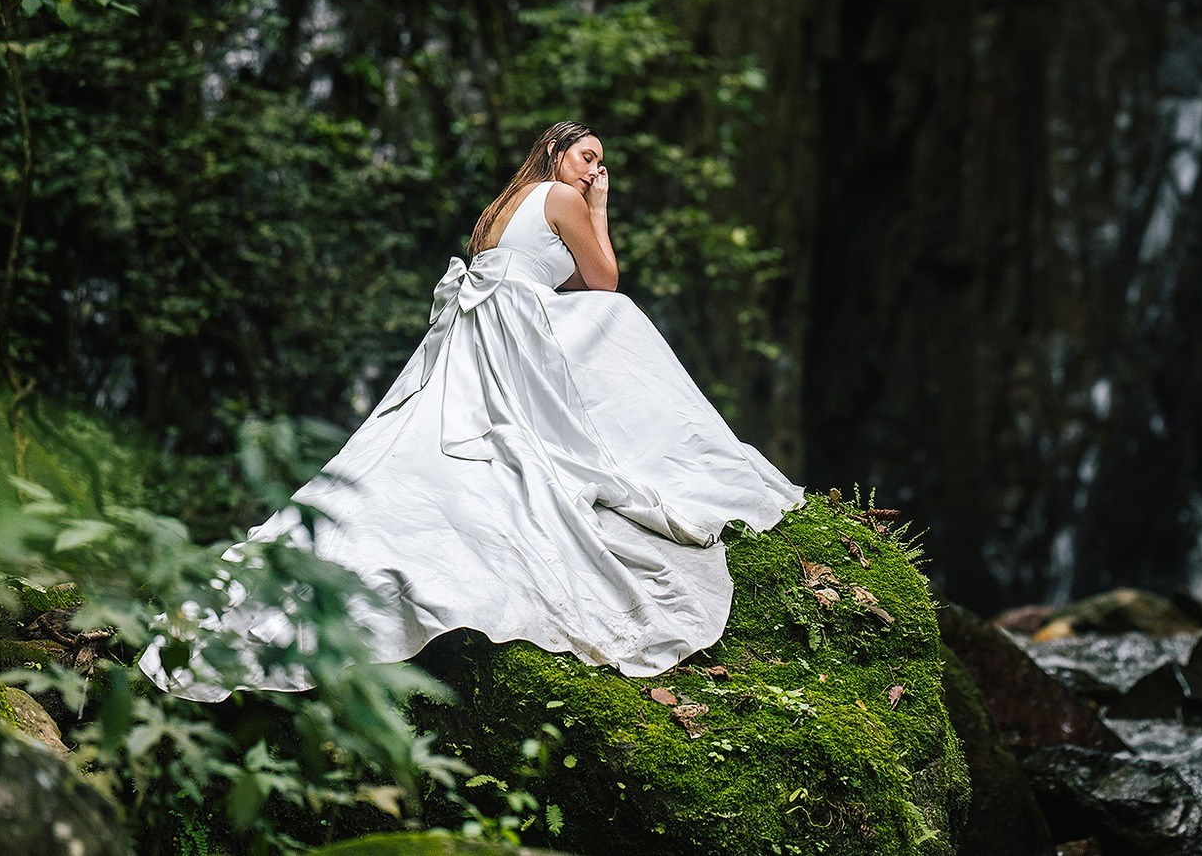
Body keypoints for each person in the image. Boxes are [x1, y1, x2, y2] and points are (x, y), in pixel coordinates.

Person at [140, 121, 803, 700]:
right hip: (515, 326)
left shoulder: (504, 205)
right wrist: (600, 208)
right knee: (619, 318)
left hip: (486, 328)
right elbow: (603, 280)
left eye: (601, 165)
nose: (595, 171)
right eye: (587, 157)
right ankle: (654, 451)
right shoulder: (563, 197)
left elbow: (560, 277)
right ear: (556, 153)